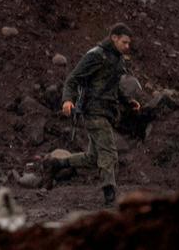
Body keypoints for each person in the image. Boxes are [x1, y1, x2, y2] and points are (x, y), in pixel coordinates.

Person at [48, 23, 140, 207]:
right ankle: (110, 194)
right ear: (114, 37)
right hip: (93, 111)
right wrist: (67, 100)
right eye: (124, 42)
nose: (127, 46)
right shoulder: (96, 55)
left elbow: (113, 87)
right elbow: (73, 78)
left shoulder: (118, 59)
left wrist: (127, 102)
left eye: (129, 43)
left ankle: (58, 164)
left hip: (106, 112)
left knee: (93, 158)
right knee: (109, 152)